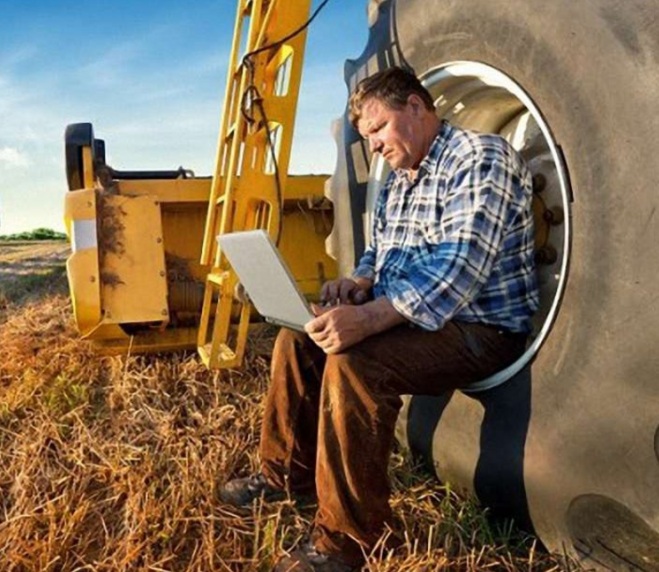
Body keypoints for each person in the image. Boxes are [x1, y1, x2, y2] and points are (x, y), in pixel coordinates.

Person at [218, 67, 539, 572]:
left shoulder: (479, 158)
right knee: (298, 339)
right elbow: (383, 253)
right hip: (422, 322)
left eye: (378, 129)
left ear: (416, 106)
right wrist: (360, 283)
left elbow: (457, 272)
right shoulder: (401, 179)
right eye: (366, 137)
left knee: (354, 363)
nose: (373, 147)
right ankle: (285, 478)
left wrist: (367, 320)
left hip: (480, 329)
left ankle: (349, 540)